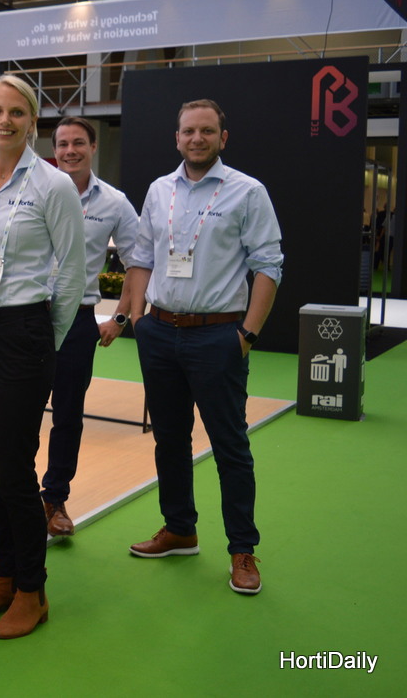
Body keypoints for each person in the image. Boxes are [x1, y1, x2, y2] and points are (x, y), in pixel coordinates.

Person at [123, 98, 282, 596]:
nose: (197, 139)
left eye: (207, 131)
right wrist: (138, 318)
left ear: (222, 138)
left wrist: (248, 334)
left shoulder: (247, 192)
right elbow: (142, 255)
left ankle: (242, 549)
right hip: (159, 332)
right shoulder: (159, 190)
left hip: (218, 336)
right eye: (189, 131)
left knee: (230, 446)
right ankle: (180, 530)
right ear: (177, 138)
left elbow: (268, 265)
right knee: (169, 440)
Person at [0, 74, 85, 640]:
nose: (4, 121)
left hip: (22, 331)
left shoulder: (54, 186)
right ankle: (3, 577)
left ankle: (33, 589)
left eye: (16, 112)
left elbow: (72, 273)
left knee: (14, 469)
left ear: (33, 121)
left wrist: (44, 339)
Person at [41, 117, 140, 536]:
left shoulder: (114, 202)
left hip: (78, 318)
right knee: (10, 412)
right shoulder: (34, 189)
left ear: (93, 147)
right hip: (26, 314)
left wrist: (120, 317)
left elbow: (140, 261)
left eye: (78, 143)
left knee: (67, 415)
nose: (70, 151)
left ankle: (54, 499)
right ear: (54, 150)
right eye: (63, 144)